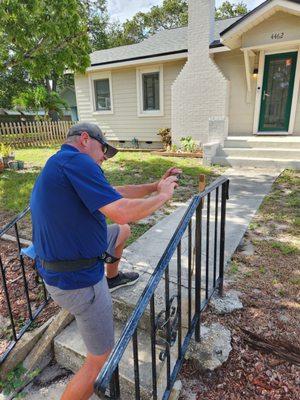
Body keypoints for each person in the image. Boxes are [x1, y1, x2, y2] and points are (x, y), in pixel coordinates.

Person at [30, 122, 180, 400]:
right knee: (99, 360)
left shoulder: (62, 162)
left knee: (121, 233)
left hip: (59, 266)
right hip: (79, 282)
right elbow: (122, 211)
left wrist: (153, 185)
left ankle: (112, 278)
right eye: (103, 151)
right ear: (86, 139)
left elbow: (116, 192)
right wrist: (163, 196)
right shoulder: (78, 162)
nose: (104, 158)